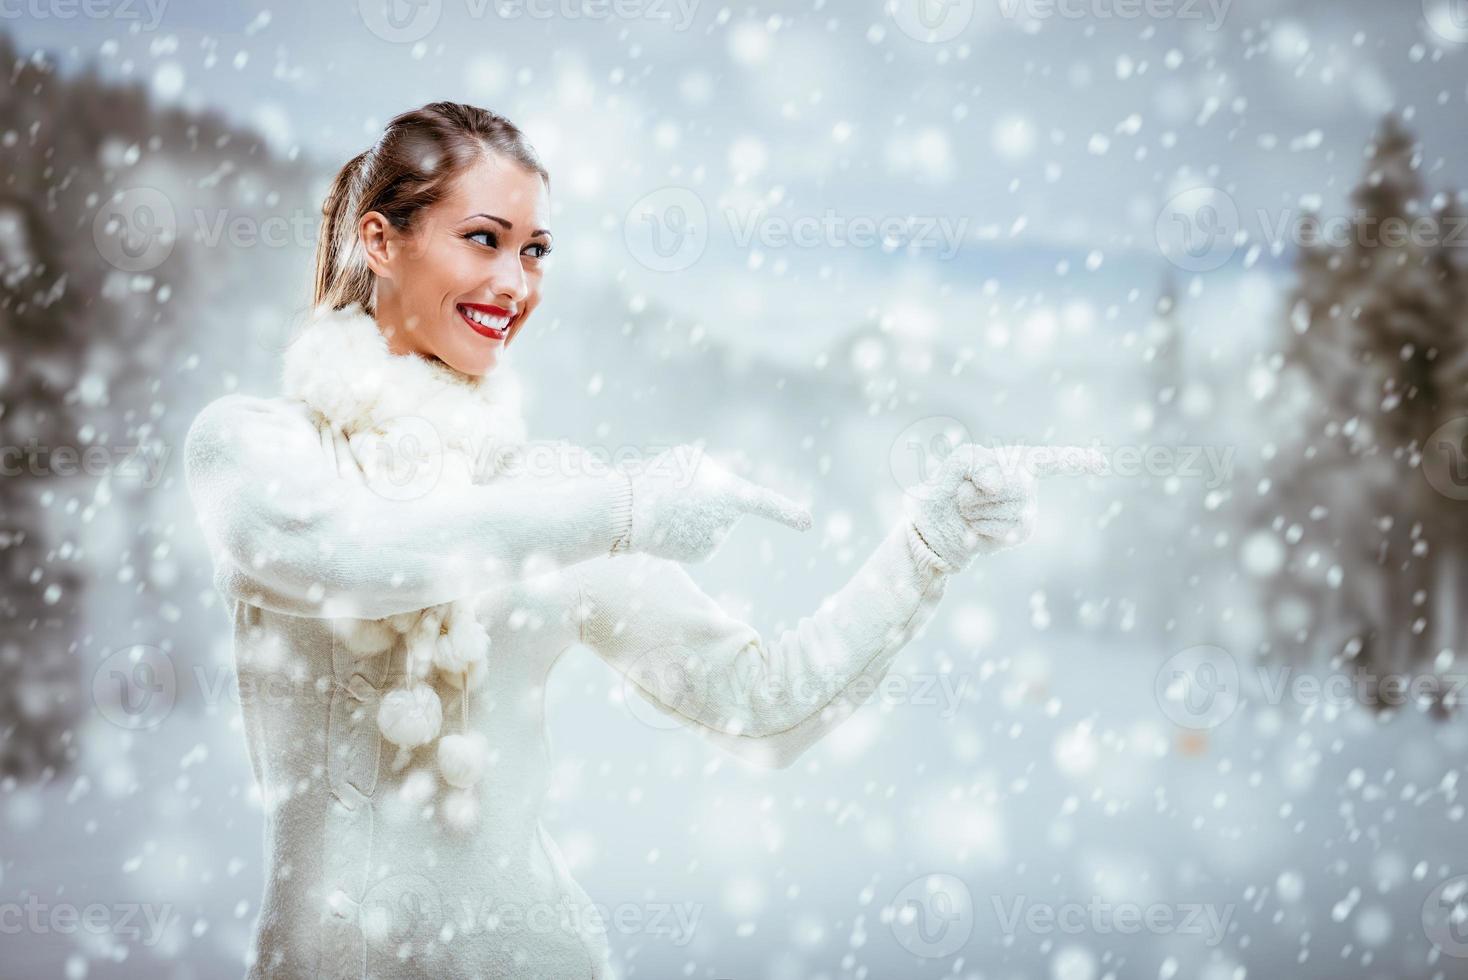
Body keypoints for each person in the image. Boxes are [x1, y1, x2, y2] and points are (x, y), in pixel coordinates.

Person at [184, 101, 1092, 979]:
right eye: (484, 239)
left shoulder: (553, 494)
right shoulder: (258, 448)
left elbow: (762, 707)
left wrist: (925, 550)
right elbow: (336, 556)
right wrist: (625, 508)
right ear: (380, 241)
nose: (515, 283)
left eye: (534, 252)